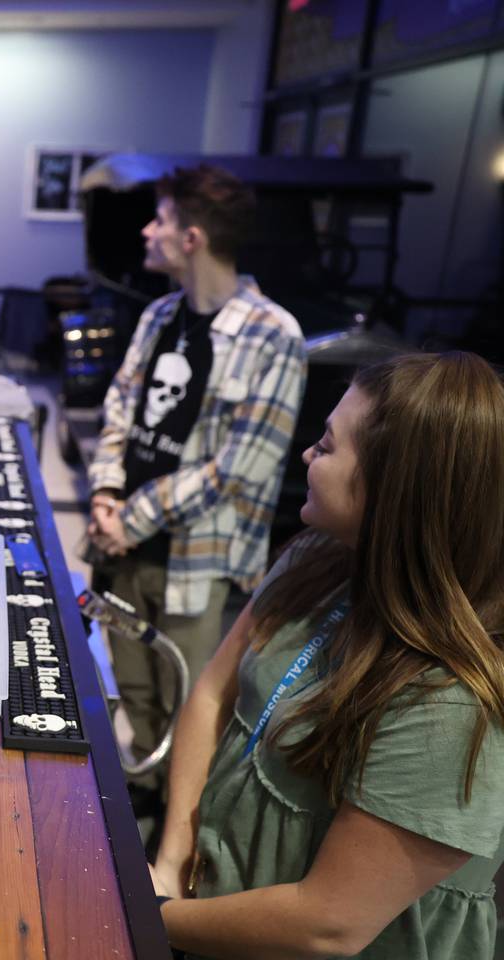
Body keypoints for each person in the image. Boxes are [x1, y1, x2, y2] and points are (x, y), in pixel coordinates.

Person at [151, 352, 504, 960]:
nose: (307, 457)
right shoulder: (319, 558)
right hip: (201, 915)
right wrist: (171, 863)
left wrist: (150, 918)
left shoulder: (450, 706)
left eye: (326, 446)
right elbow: (215, 693)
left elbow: (327, 926)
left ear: (394, 488)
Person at [86, 164, 306, 808]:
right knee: (136, 688)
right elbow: (120, 410)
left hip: (195, 556)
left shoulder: (274, 334)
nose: (148, 231)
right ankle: (147, 803)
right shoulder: (158, 315)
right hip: (122, 541)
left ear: (193, 238)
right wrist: (104, 493)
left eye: (161, 219)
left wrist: (134, 513)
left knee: (189, 700)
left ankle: (177, 836)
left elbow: (245, 465)